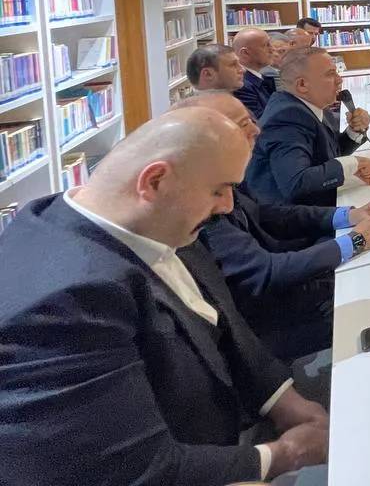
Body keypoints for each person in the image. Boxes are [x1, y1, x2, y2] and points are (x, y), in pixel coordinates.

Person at [0, 108, 330, 484]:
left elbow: (222, 322)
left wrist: (285, 401)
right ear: (155, 181)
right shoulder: (63, 306)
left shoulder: (153, 218)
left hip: (224, 435)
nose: (228, 205)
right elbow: (137, 470)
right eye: (219, 190)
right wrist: (286, 454)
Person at [183, 91, 370, 361]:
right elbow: (265, 272)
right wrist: (356, 240)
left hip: (287, 285)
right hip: (267, 318)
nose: (257, 130)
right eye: (243, 124)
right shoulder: (200, 205)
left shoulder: (220, 178)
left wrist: (348, 215)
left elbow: (269, 215)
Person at [244, 47, 370, 207]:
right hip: (290, 216)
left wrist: (353, 131)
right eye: (330, 74)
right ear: (302, 85)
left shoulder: (312, 105)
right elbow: (296, 182)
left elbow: (326, 154)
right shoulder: (287, 117)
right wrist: (351, 164)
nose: (339, 80)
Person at [232, 27, 276, 118]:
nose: (272, 49)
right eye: (266, 45)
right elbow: (260, 122)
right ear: (245, 53)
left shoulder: (257, 78)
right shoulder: (241, 86)